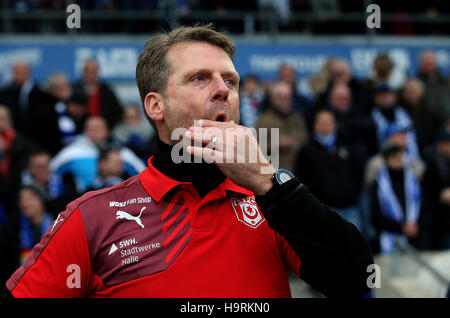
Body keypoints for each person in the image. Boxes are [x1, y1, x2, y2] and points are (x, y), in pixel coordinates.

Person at [4, 25, 373, 298]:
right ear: (156, 106)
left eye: (231, 80)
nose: (223, 90)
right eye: (200, 78)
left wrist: (267, 182)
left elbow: (357, 279)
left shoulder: (270, 200)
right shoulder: (92, 217)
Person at [294, 110, 364, 232]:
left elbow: (357, 173)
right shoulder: (306, 151)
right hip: (322, 210)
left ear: (335, 125)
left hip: (349, 207)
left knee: (354, 247)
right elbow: (301, 179)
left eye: (328, 122)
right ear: (314, 125)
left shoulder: (346, 146)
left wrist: (353, 193)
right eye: (321, 122)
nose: (325, 126)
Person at [49, 116, 146, 193]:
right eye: (90, 129)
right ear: (85, 131)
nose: (94, 133)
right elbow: (50, 173)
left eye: (98, 129)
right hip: (82, 202)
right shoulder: (71, 153)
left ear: (107, 131)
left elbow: (143, 175)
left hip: (118, 201)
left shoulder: (121, 152)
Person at [369, 142, 431, 254]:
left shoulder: (414, 181)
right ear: (386, 160)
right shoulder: (378, 185)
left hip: (417, 236)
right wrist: (401, 227)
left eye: (400, 156)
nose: (399, 160)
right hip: (391, 236)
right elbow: (376, 214)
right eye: (394, 157)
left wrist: (416, 226)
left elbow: (425, 206)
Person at [254, 81, 309, 171]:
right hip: (273, 174)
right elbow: (257, 150)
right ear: (273, 98)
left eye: (287, 98)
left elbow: (305, 140)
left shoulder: (297, 118)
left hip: (298, 172)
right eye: (280, 98)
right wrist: (277, 144)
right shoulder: (264, 121)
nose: (285, 101)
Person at [20, 148, 78, 217]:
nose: (44, 170)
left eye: (46, 165)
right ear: (30, 169)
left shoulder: (64, 187)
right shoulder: (21, 191)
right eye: (39, 167)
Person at [371, 82, 420, 160]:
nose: (385, 98)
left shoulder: (405, 113)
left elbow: (411, 140)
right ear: (375, 98)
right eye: (381, 96)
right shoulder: (371, 117)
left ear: (394, 96)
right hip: (383, 159)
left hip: (409, 158)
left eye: (388, 95)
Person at [72, 59, 123, 130]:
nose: (91, 75)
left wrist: (108, 129)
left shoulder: (107, 91)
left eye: (94, 71)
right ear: (83, 72)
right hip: (80, 131)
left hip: (104, 132)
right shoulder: (74, 91)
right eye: (88, 71)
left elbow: (117, 113)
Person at [422, 129, 450, 250]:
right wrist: (441, 196)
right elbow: (427, 194)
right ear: (440, 145)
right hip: (440, 222)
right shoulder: (432, 165)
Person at [16, 186, 54, 265]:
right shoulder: (15, 229)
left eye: (30, 198)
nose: (25, 204)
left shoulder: (57, 222)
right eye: (22, 200)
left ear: (41, 199)